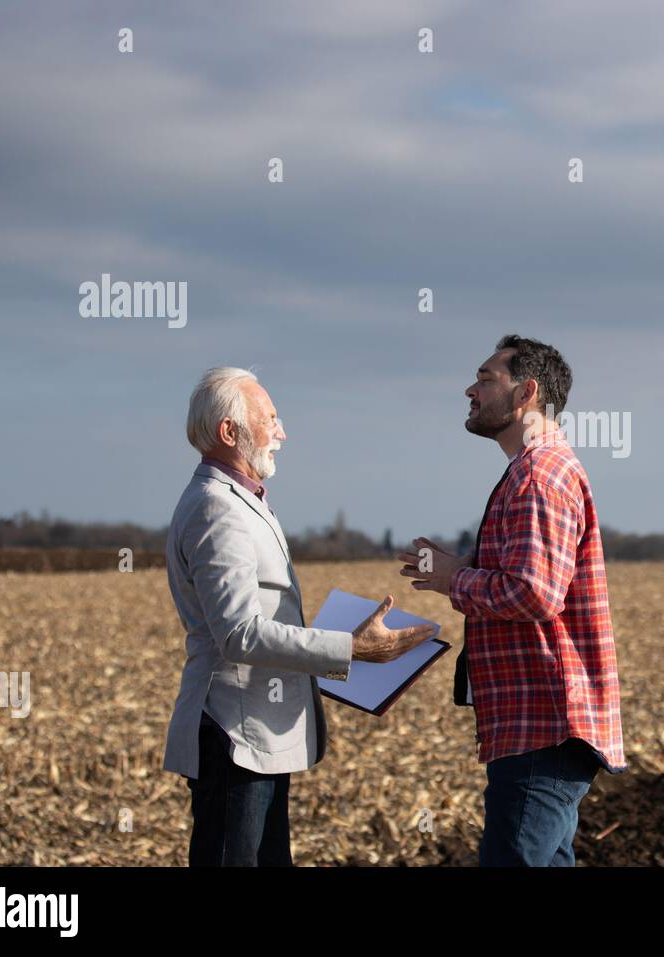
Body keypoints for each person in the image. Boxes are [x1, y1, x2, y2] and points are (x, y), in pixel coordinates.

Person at [162, 367, 433, 866]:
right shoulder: (216, 509)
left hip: (257, 734)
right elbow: (240, 634)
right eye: (270, 419)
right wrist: (351, 649)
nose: (282, 432)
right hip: (235, 736)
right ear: (229, 432)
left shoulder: (239, 501)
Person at [399, 335, 627, 866]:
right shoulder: (533, 471)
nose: (470, 389)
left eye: (484, 378)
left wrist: (456, 579)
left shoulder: (538, 476)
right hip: (538, 727)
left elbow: (533, 592)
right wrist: (462, 573)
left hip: (542, 726)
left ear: (525, 392)